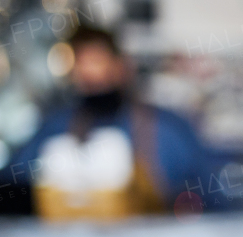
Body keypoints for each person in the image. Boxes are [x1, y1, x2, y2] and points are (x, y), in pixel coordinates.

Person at [0, 25, 219, 218]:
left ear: (121, 66)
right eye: (82, 67)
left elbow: (212, 196)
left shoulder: (168, 130)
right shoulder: (56, 127)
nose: (90, 75)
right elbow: (12, 184)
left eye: (97, 64)